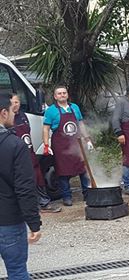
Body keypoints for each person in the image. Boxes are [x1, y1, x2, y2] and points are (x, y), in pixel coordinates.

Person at [0, 93, 42, 279]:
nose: (13, 115)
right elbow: (25, 188)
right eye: (11, 111)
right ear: (3, 113)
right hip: (8, 220)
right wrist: (34, 223)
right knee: (17, 271)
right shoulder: (15, 145)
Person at [42, 85, 94, 206]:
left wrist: (88, 140)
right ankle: (67, 196)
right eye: (59, 93)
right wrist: (46, 145)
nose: (62, 95)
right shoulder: (51, 111)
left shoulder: (74, 107)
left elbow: (81, 124)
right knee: (62, 171)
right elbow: (46, 129)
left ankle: (87, 193)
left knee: (83, 169)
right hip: (60, 146)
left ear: (67, 94)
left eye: (64, 93)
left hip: (76, 143)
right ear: (55, 96)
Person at [11, 94, 62, 213]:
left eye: (17, 102)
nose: (15, 105)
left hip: (29, 151)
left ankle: (44, 203)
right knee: (23, 181)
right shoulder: (6, 119)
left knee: (38, 178)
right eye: (12, 103)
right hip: (17, 155)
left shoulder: (23, 115)